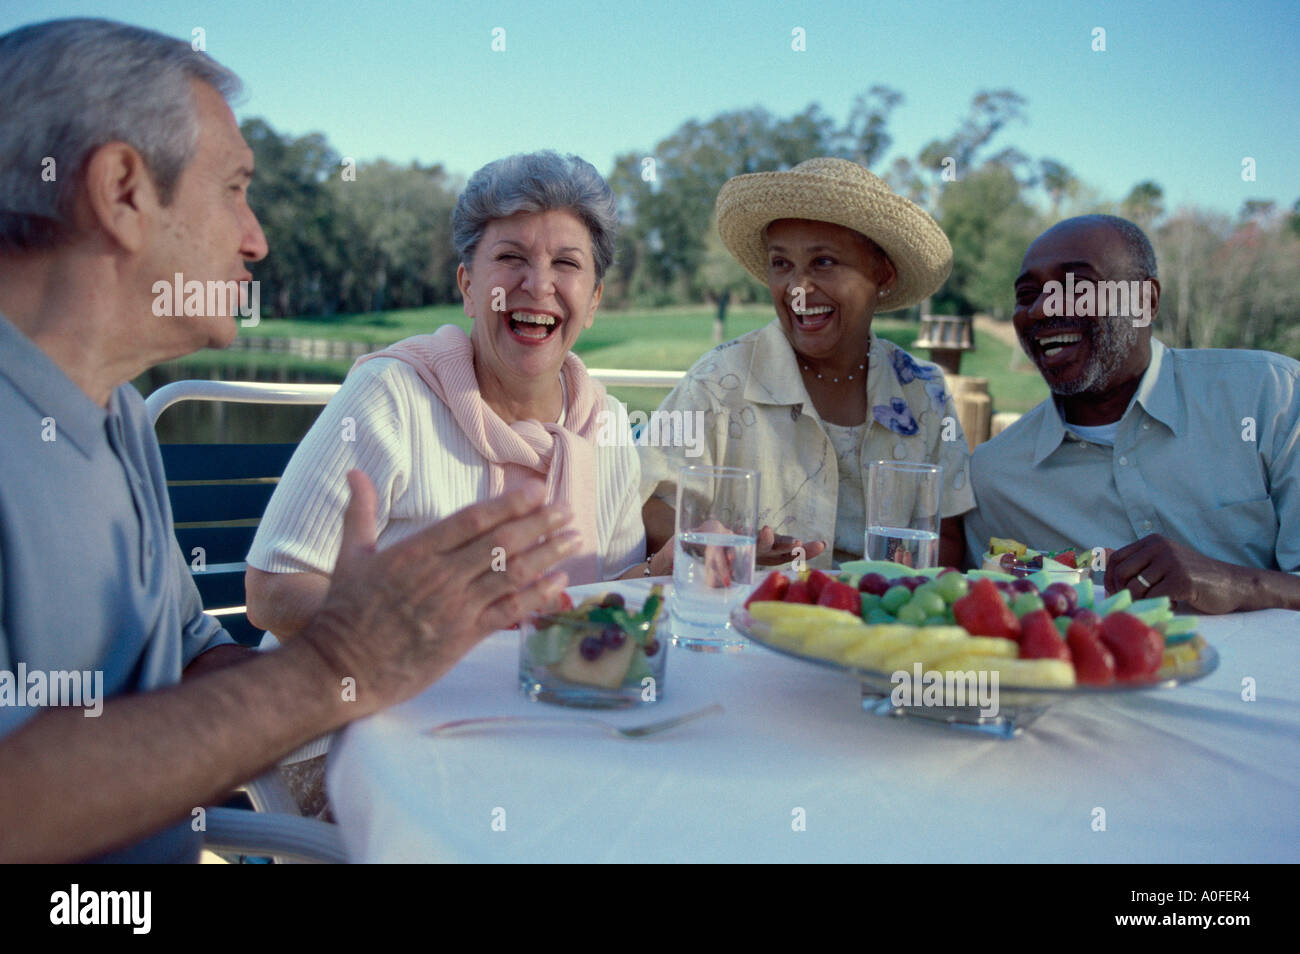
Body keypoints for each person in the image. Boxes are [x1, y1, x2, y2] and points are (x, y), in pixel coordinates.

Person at [0, 18, 575, 863]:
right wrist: (336, 659)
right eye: (234, 187)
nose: (256, 237)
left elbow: (192, 666)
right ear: (122, 190)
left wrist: (397, 653)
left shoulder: (114, 410)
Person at [244, 151, 662, 645]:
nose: (538, 284)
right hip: (373, 700)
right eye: (511, 258)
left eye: (566, 263)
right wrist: (428, 617)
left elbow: (597, 602)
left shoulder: (607, 424)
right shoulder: (391, 396)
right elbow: (273, 591)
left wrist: (665, 574)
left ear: (592, 301)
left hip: (540, 700)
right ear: (468, 286)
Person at [639, 158, 975, 569]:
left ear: (882, 274)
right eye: (781, 264)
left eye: (824, 262)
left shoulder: (924, 392)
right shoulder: (718, 383)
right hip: (749, 617)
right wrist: (718, 547)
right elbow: (646, 502)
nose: (798, 289)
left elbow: (949, 535)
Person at [964, 214, 1300, 612]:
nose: (1040, 310)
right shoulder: (993, 479)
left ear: (1146, 301)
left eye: (1075, 287)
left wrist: (1239, 583)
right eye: (1027, 294)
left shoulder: (1271, 397)